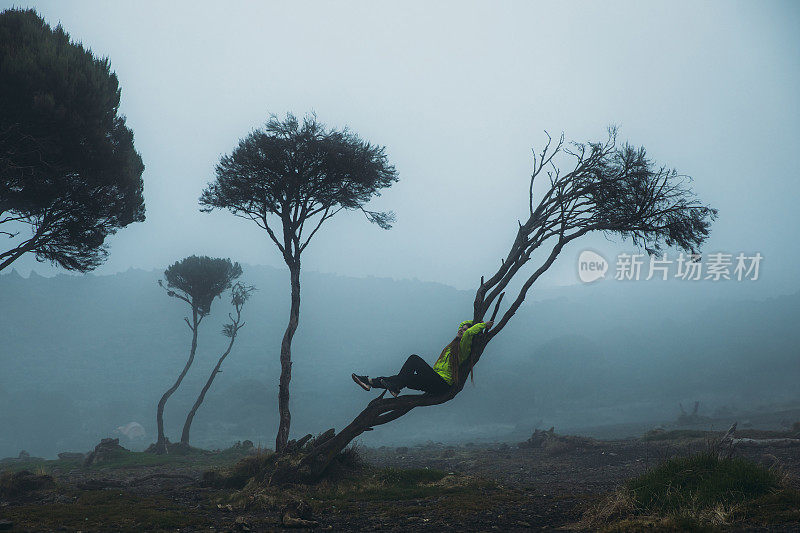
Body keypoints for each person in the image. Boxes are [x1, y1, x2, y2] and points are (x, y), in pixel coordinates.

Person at [352, 320, 493, 397]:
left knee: (413, 359)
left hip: (443, 384)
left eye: (465, 329)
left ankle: (391, 386)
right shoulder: (451, 347)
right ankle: (370, 382)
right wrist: (467, 325)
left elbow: (468, 335)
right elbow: (465, 328)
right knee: (405, 378)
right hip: (435, 382)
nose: (461, 330)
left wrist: (482, 325)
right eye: (460, 328)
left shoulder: (464, 348)